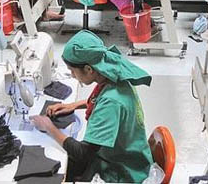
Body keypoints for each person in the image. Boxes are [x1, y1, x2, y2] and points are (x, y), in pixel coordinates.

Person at [31, 30, 153, 183]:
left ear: (89, 69)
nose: (72, 75)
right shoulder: (115, 75)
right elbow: (102, 99)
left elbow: (83, 153)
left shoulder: (111, 103)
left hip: (124, 172)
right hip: (129, 156)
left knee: (60, 169)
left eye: (72, 71)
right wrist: (73, 105)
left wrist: (49, 127)